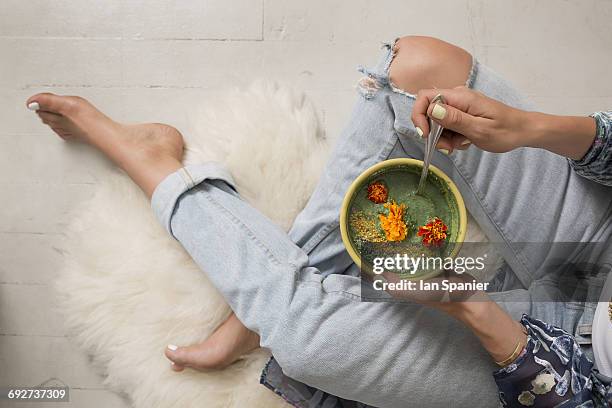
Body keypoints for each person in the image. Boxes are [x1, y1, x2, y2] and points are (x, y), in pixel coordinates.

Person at [26, 36, 611, 407]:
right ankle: (254, 311)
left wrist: (475, 310)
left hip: (561, 378)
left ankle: (153, 164)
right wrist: (530, 129)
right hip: (600, 246)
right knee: (421, 67)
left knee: (309, 340)